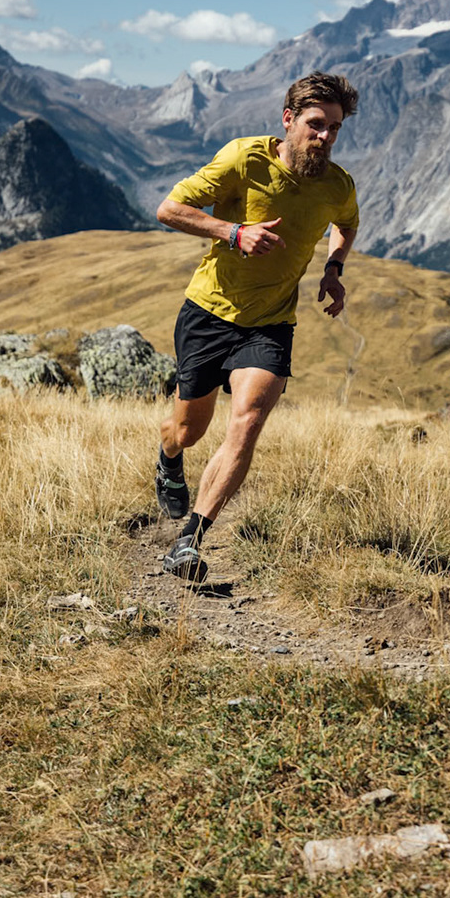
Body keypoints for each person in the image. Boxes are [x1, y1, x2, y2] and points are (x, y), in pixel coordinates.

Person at [150, 71, 361, 581]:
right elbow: (169, 209)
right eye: (316, 124)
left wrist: (334, 269)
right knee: (188, 431)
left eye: (334, 127)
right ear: (288, 119)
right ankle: (168, 456)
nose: (325, 136)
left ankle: (190, 540)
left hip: (271, 322)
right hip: (208, 312)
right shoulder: (244, 159)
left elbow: (346, 223)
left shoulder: (337, 185)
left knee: (247, 422)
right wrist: (233, 232)